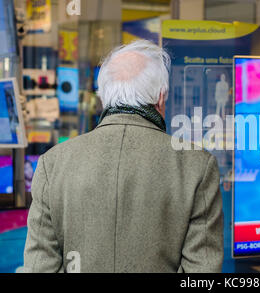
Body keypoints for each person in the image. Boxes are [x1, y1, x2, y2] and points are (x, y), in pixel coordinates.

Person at [23, 40, 224, 273]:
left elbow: (39, 267)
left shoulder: (53, 163)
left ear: (103, 98)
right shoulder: (197, 165)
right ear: (161, 97)